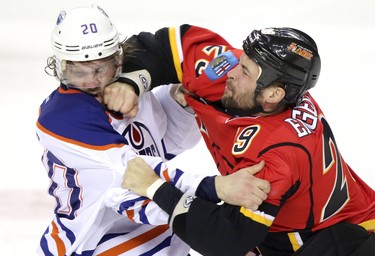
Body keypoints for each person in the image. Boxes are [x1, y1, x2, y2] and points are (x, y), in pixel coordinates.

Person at [106, 25, 375, 255]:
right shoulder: (232, 75)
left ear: (273, 95)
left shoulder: (278, 155)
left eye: (246, 70)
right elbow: (161, 46)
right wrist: (132, 81)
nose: (232, 70)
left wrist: (155, 188)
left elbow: (227, 239)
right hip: (284, 228)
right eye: (242, 60)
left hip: (341, 239)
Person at [36, 6, 270, 256]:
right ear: (62, 66)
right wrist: (217, 192)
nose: (94, 82)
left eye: (101, 69)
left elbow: (164, 146)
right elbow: (134, 176)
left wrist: (182, 103)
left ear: (117, 58)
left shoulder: (128, 86)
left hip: (152, 234)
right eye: (79, 71)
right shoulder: (63, 118)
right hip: (96, 241)